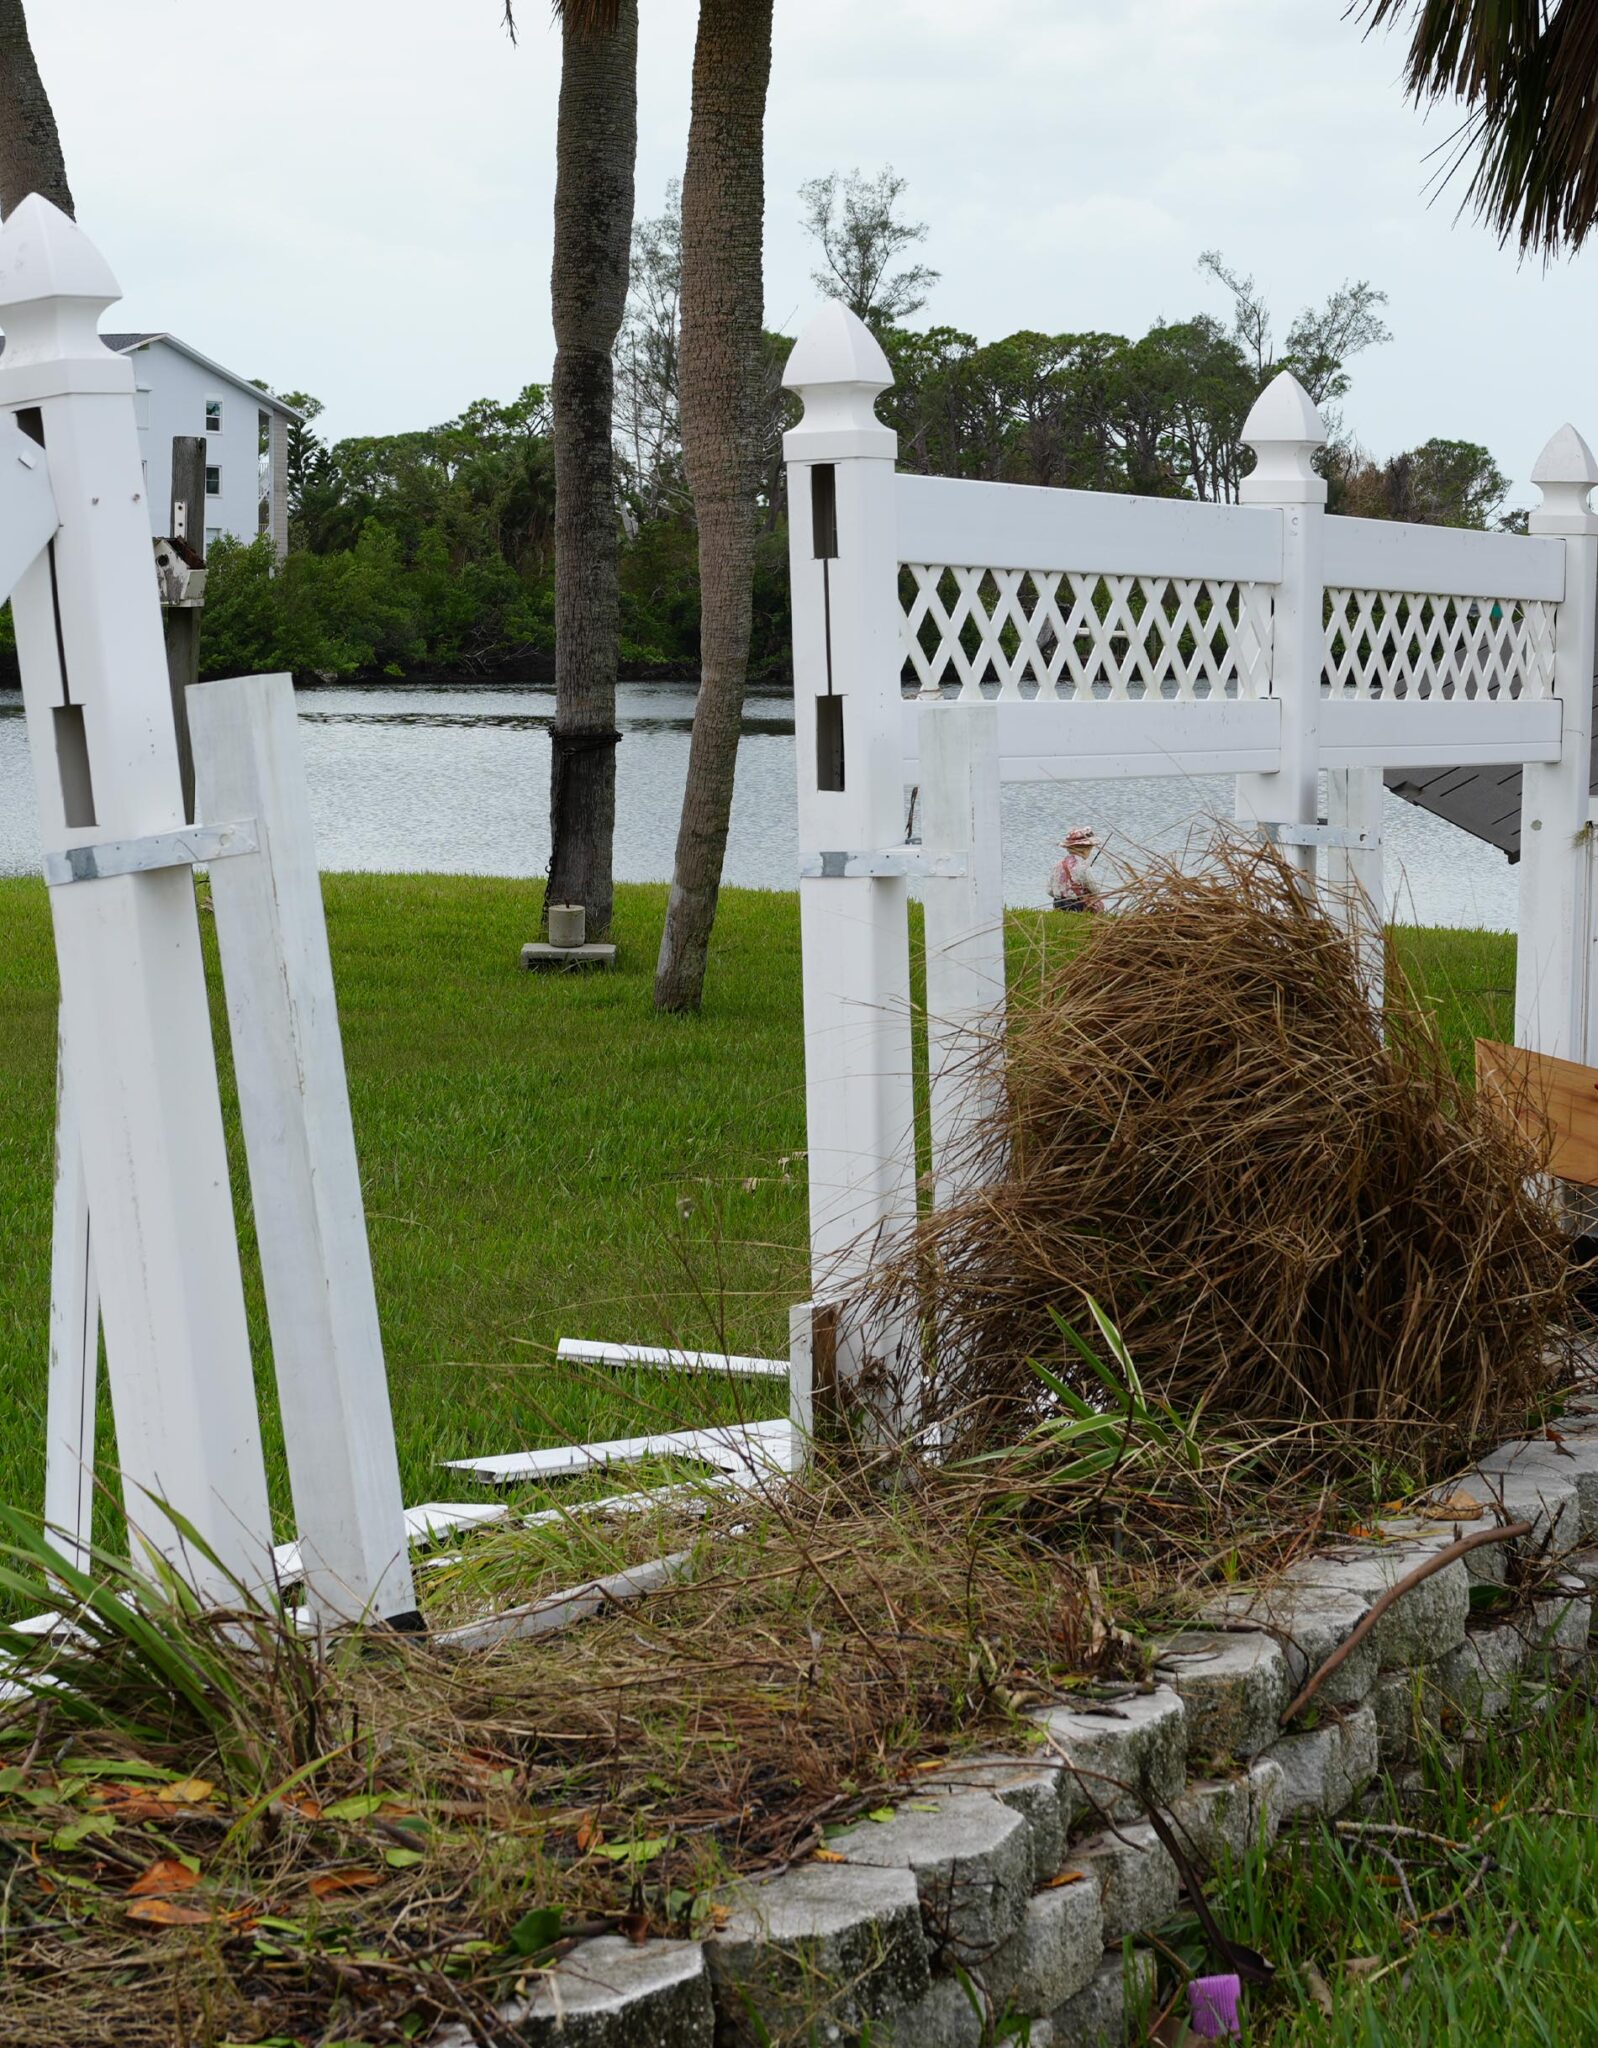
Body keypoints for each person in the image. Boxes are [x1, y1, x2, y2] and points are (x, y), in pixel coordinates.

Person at [1051, 828, 1105, 913]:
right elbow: (1095, 891)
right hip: (1077, 907)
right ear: (1085, 848)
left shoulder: (1058, 865)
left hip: (1057, 905)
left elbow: (1050, 891)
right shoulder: (1084, 866)